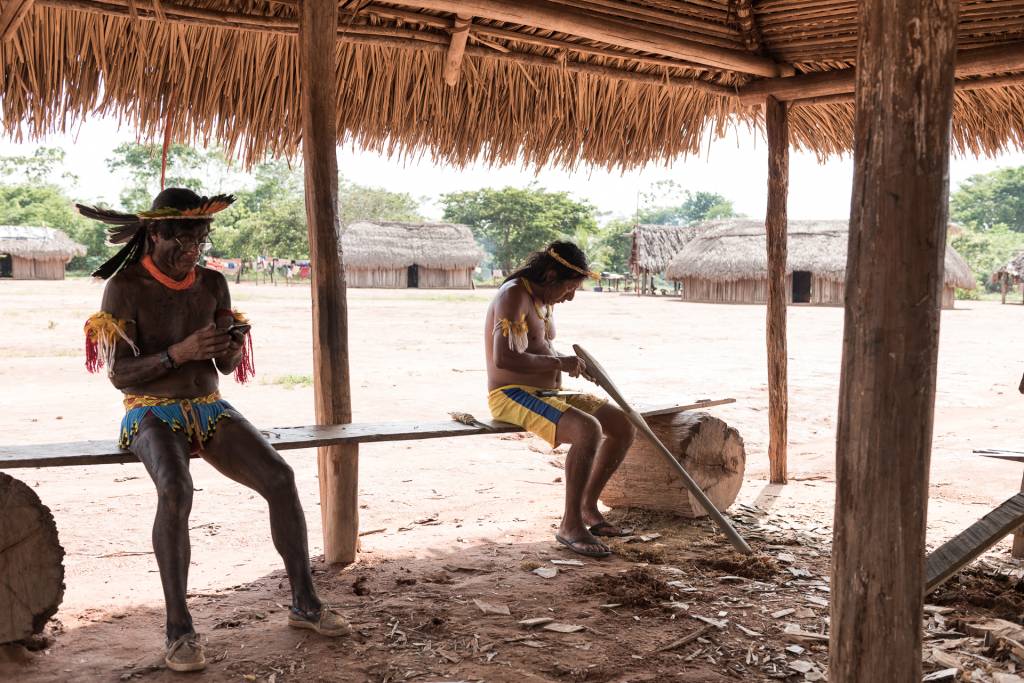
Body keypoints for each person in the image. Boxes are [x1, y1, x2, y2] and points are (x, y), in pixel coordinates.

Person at [78, 188, 349, 673]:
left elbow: (223, 367)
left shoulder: (213, 284)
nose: (193, 250)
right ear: (155, 234)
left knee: (280, 478)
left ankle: (305, 604)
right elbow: (120, 375)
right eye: (183, 239)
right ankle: (179, 629)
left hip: (207, 406)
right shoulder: (125, 287)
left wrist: (231, 342)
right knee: (176, 490)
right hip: (151, 411)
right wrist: (178, 353)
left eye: (200, 239)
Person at [484, 241, 636, 558]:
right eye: (569, 288)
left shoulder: (544, 298)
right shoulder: (514, 295)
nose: (571, 296)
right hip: (511, 395)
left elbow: (542, 346)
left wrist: (573, 364)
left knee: (622, 424)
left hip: (550, 393)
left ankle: (587, 509)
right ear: (551, 275)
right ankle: (570, 526)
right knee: (588, 430)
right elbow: (505, 358)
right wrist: (558, 363)